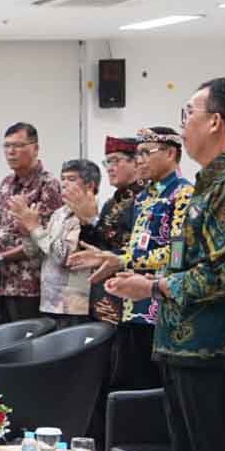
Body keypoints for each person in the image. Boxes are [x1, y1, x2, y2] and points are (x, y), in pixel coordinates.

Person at [107, 80, 225, 451]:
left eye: (188, 113)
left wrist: (150, 286)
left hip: (213, 354)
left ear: (215, 121)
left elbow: (221, 277)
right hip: (182, 347)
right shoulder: (210, 183)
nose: (183, 124)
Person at [72, 128, 193, 393]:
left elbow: (176, 253)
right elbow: (134, 249)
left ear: (171, 153)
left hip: (158, 306)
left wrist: (122, 260)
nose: (139, 160)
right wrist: (115, 258)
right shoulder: (144, 197)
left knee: (154, 388)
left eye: (145, 153)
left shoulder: (183, 194)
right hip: (129, 305)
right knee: (125, 383)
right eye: (136, 154)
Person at [0, 122, 63, 323]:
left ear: (35, 148)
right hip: (0, 282)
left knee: (27, 348)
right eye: (6, 146)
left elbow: (44, 240)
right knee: (0, 344)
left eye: (18, 145)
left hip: (30, 285)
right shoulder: (6, 183)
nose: (11, 152)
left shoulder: (48, 185)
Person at [15, 158, 97, 327]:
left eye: (72, 179)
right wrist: (27, 234)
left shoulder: (89, 215)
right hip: (49, 301)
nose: (64, 184)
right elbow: (38, 257)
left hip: (74, 307)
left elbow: (63, 257)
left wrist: (35, 227)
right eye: (63, 178)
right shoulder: (59, 213)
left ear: (90, 186)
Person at [75, 136, 143, 325]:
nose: (109, 168)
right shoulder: (111, 203)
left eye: (116, 160)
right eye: (107, 161)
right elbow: (98, 244)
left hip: (131, 287)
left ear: (135, 162)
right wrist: (86, 223)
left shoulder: (145, 200)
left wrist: (93, 220)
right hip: (104, 287)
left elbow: (134, 245)